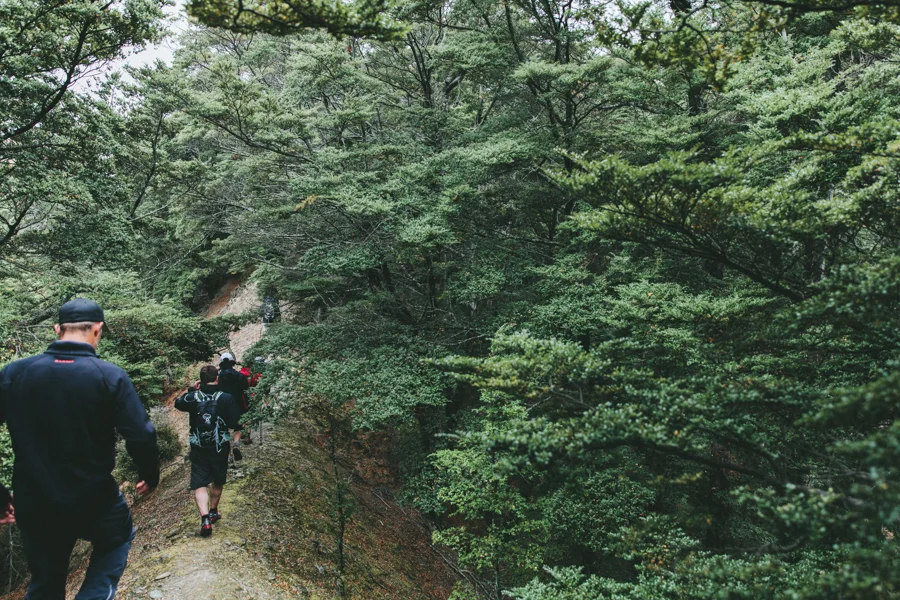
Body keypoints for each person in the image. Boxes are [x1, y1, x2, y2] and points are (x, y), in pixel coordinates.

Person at [0, 298, 159, 599]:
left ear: (57, 329)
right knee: (116, 539)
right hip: (94, 501)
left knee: (45, 581)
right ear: (98, 330)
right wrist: (150, 475)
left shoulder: (14, 373)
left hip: (34, 503)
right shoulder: (109, 376)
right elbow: (141, 434)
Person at [174, 365, 240, 537]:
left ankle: (204, 519)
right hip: (220, 446)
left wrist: (191, 390)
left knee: (199, 482)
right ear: (216, 378)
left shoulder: (193, 397)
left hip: (199, 446)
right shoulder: (226, 397)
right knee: (218, 479)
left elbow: (178, 403)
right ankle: (213, 511)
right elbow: (235, 422)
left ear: (201, 380)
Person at [217, 352, 252, 446]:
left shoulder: (219, 377)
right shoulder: (239, 375)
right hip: (239, 400)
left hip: (223, 402)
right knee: (242, 420)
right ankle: (243, 439)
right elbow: (245, 387)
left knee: (224, 424)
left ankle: (227, 447)